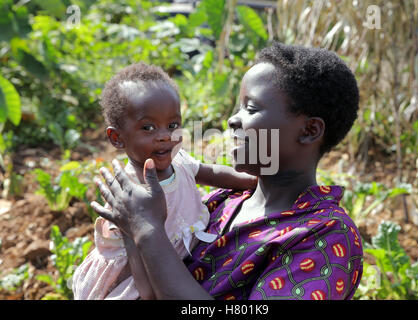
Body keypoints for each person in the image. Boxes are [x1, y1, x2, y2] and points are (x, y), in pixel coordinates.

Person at [90, 43, 364, 300]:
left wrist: (145, 230)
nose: (233, 119)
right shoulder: (224, 201)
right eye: (238, 106)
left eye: (251, 108)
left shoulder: (325, 235)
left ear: (309, 130)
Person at [72, 62, 257, 300]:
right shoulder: (131, 195)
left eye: (172, 125)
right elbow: (146, 287)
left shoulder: (177, 159)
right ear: (117, 137)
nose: (165, 136)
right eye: (148, 127)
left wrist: (252, 181)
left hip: (173, 262)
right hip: (135, 279)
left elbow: (210, 172)